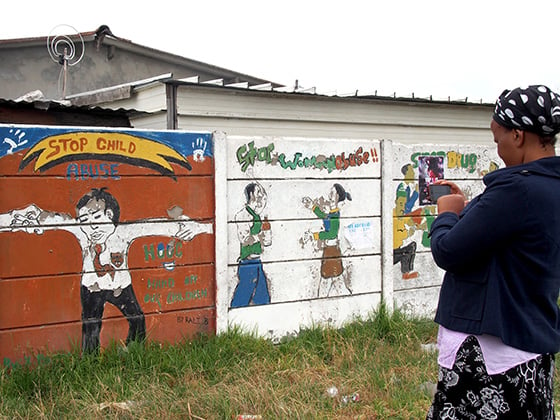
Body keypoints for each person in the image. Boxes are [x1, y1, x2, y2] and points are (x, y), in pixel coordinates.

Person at [427, 85, 560, 419]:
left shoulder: (516, 188)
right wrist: (471, 208)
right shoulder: (548, 186)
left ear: (517, 135)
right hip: (530, 347)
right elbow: (513, 233)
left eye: (498, 137)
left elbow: (447, 251)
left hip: (488, 360)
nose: (497, 148)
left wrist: (446, 213)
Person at [2, 187, 213, 354]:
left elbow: (155, 226)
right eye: (85, 221)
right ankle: (90, 365)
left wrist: (198, 228)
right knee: (91, 327)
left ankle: (133, 351)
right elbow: (48, 217)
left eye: (96, 218)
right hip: (92, 288)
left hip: (120, 285)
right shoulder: (81, 232)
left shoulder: (125, 231)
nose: (91, 227)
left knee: (137, 319)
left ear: (110, 215)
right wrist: (18, 218)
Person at [302, 183, 352, 296]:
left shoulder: (335, 215)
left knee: (330, 279)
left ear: (338, 197)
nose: (329, 195)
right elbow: (323, 216)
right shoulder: (331, 213)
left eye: (332, 193)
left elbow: (331, 234)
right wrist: (312, 206)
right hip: (329, 250)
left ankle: (322, 298)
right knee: (334, 279)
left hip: (332, 250)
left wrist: (314, 236)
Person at [231, 182, 272, 307]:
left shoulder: (258, 216)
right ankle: (234, 321)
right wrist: (259, 235)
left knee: (263, 297)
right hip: (247, 263)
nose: (261, 196)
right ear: (251, 195)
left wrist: (266, 233)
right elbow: (245, 239)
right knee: (241, 298)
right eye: (258, 192)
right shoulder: (242, 215)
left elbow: (267, 242)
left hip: (257, 262)